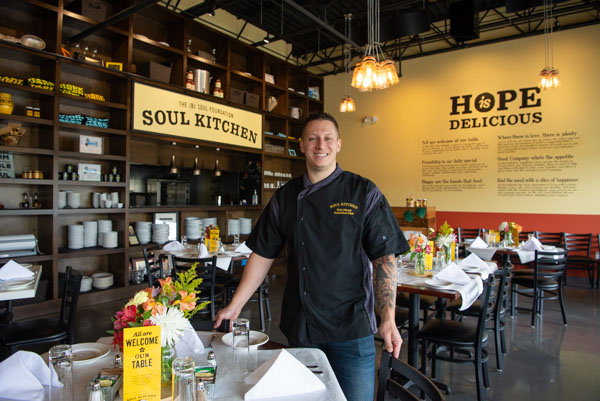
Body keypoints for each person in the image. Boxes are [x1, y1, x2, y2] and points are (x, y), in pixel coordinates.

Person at [215, 112, 408, 401]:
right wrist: (235, 305)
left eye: (328, 138)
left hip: (352, 329)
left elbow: (384, 259)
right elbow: (263, 254)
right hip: (303, 327)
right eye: (313, 139)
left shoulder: (363, 192)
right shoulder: (285, 197)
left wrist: (388, 318)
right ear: (302, 145)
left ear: (339, 144)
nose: (321, 145)